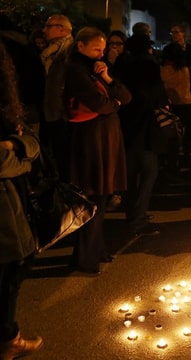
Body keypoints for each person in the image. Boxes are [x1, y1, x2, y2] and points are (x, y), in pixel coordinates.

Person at [64, 27, 131, 274]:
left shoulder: (96, 71)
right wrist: (114, 103)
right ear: (80, 46)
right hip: (91, 141)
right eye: (97, 49)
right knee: (93, 198)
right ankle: (85, 257)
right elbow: (101, 104)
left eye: (103, 50)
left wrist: (108, 79)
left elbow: (126, 95)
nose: (101, 54)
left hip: (105, 139)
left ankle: (94, 250)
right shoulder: (75, 70)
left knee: (100, 198)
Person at [0, 37, 44, 360]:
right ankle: (8, 340)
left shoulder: (6, 102)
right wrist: (22, 159)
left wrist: (16, 147)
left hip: (9, 194)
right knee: (13, 264)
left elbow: (30, 139)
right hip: (3, 204)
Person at [114, 33, 166, 239]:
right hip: (144, 127)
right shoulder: (150, 65)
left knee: (130, 174)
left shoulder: (121, 63)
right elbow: (157, 95)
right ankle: (138, 218)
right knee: (149, 173)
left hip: (124, 125)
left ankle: (131, 214)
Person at [40, 14, 74, 182]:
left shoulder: (69, 52)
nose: (44, 30)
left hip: (62, 114)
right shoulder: (51, 52)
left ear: (63, 29)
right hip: (53, 111)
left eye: (49, 26)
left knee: (63, 158)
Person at [169, 23, 191, 168]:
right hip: (174, 92)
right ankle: (175, 155)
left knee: (188, 127)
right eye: (172, 32)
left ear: (183, 33)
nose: (174, 35)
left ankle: (186, 153)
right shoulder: (168, 50)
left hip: (188, 91)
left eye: (177, 32)